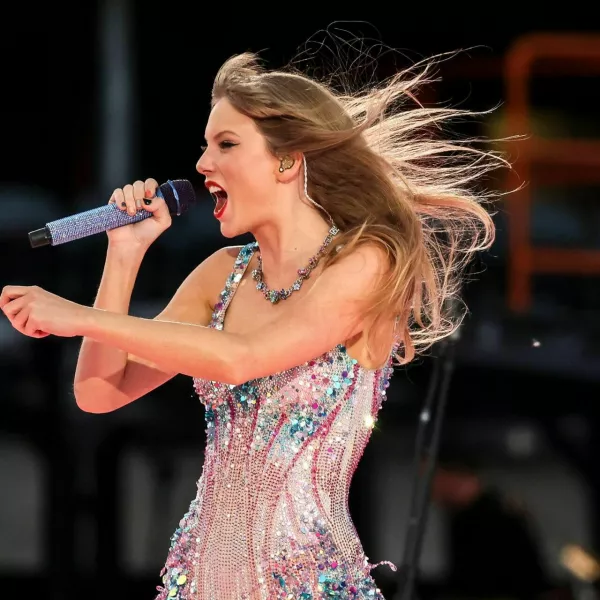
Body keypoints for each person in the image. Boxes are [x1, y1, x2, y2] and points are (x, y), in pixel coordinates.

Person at [1, 50, 499, 598]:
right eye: (205, 145)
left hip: (311, 584)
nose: (201, 165)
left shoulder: (364, 262)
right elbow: (99, 392)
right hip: (201, 580)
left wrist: (76, 317)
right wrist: (124, 256)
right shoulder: (221, 275)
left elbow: (243, 358)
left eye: (226, 145)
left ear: (287, 161)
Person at [431, 454, 549, 599]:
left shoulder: (490, 518)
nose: (432, 491)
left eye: (432, 479)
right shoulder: (468, 516)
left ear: (452, 476)